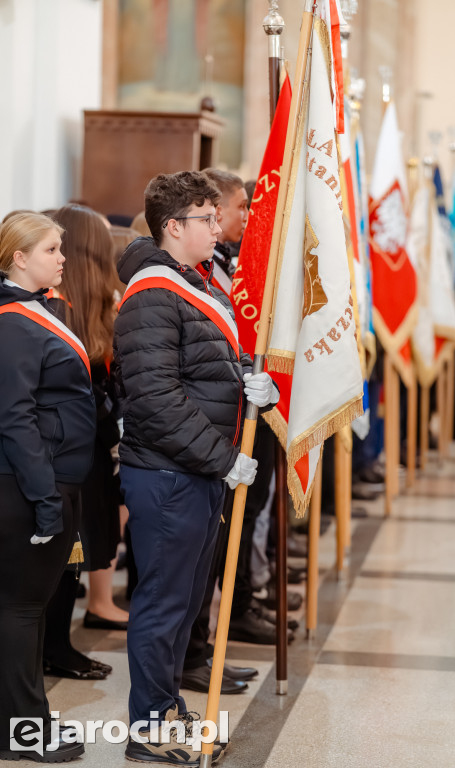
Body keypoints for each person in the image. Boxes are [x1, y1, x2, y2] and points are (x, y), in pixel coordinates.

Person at [114, 170, 278, 765]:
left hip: (197, 471)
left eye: (216, 216)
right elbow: (155, 399)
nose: (218, 228)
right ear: (173, 227)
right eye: (206, 219)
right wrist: (223, 457)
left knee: (186, 602)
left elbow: (204, 369)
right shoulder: (154, 291)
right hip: (168, 474)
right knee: (163, 603)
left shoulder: (195, 280)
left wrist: (249, 387)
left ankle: (167, 707)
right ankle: (147, 727)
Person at [0, 212, 96, 761]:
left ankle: (26, 718)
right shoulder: (14, 322)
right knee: (20, 608)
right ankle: (24, 733)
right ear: (19, 257)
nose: (63, 259)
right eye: (52, 250)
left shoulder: (37, 311)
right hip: (29, 484)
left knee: (25, 608)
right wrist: (43, 498)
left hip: (52, 477)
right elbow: (14, 417)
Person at [42, 206, 127, 677]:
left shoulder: (91, 307)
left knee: (75, 557)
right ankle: (53, 649)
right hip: (69, 456)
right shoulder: (58, 310)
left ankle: (59, 645)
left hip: (93, 453)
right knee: (61, 559)